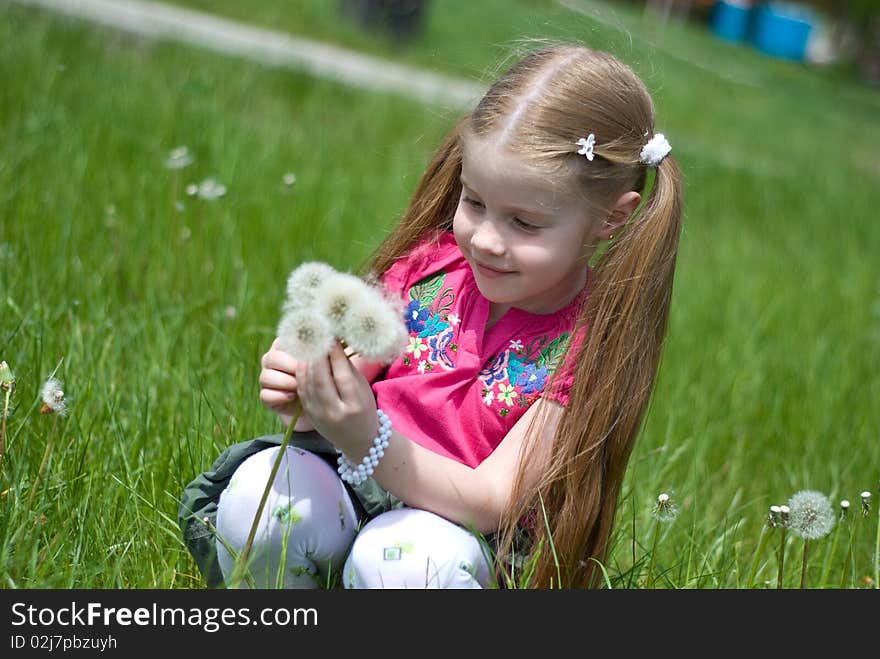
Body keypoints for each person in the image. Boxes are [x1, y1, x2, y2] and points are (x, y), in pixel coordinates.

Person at [178, 41, 683, 589]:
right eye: (474, 202)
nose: (486, 239)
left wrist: (367, 438)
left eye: (525, 223)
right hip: (351, 488)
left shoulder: (584, 346)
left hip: (456, 539)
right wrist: (305, 391)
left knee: (411, 564)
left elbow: (493, 502)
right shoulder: (428, 271)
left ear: (611, 218)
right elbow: (339, 391)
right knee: (263, 494)